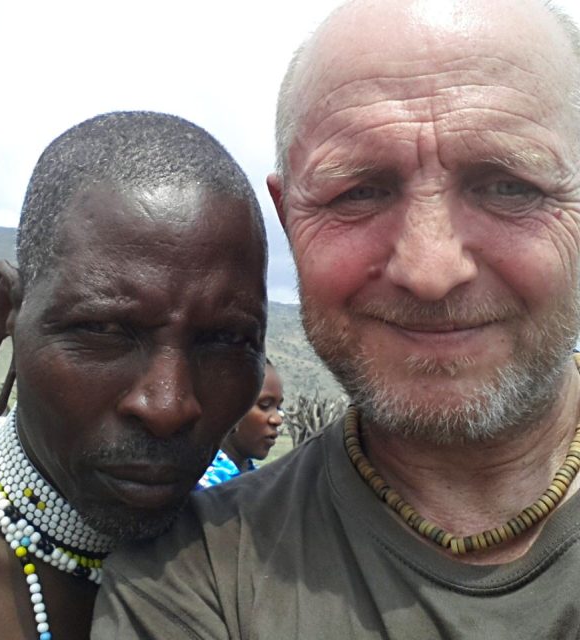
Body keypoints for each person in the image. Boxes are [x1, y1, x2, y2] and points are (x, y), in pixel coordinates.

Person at [93, 0, 580, 637]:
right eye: (359, 192)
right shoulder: (193, 576)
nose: (430, 271)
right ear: (288, 217)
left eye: (510, 186)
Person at [0, 111, 268, 640]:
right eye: (103, 328)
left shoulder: (274, 559)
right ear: (4, 315)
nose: (168, 407)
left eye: (227, 339)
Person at [197, 360, 283, 488]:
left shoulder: (260, 482)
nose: (277, 419)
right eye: (264, 405)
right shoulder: (203, 488)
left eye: (279, 407)